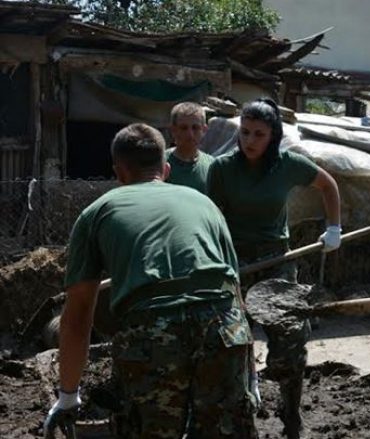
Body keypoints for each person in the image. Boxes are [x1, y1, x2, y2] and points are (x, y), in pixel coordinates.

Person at [43, 124, 257, 439]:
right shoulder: (205, 204)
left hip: (152, 331)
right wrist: (249, 380)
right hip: (224, 328)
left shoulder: (97, 212)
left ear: (119, 172)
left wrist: (68, 395)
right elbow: (235, 295)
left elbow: (77, 316)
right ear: (166, 169)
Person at [207, 98, 341, 439]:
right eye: (245, 132)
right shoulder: (221, 168)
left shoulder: (288, 165)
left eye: (259, 134)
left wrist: (334, 227)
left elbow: (328, 185)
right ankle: (239, 413)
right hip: (233, 259)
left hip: (276, 260)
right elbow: (210, 217)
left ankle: (291, 413)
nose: (250, 141)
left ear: (273, 136)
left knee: (291, 339)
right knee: (231, 342)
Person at [165, 102, 214, 193]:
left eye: (195, 128)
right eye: (184, 128)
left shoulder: (212, 166)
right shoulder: (160, 162)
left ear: (204, 130)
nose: (190, 134)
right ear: (173, 130)